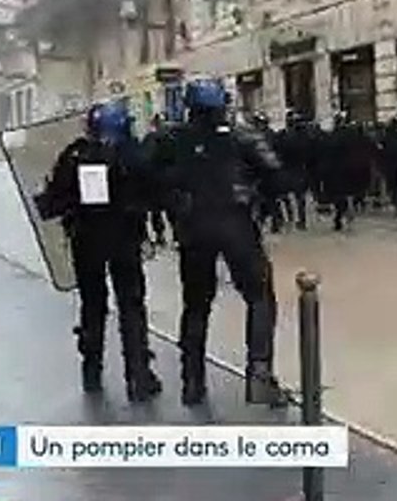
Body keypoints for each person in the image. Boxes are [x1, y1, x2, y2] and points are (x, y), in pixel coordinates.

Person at [150, 78, 288, 407]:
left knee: (196, 305)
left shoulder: (172, 139)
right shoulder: (240, 136)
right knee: (259, 296)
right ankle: (260, 377)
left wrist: (174, 207)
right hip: (235, 224)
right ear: (221, 106)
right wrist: (258, 197)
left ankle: (192, 382)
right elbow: (275, 172)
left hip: (193, 228)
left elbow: (152, 178)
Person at [34, 101, 163, 402]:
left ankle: (92, 372)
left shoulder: (75, 155)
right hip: (125, 242)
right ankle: (139, 377)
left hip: (87, 242)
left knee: (93, 306)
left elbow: (52, 203)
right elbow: (154, 192)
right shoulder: (132, 156)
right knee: (131, 307)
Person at [275, 109, 312, 230]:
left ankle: (289, 217)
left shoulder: (283, 136)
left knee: (284, 195)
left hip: (287, 168)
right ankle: (301, 220)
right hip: (300, 168)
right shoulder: (304, 137)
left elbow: (278, 152)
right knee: (299, 197)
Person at [141, 114, 173, 247]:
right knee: (171, 208)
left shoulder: (148, 139)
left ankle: (160, 235)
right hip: (167, 179)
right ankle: (176, 236)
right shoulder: (169, 137)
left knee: (156, 210)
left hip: (153, 180)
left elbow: (144, 158)